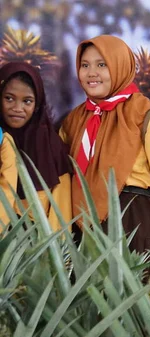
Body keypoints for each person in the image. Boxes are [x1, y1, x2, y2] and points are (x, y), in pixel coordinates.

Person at [59, 35, 150, 265]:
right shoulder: (74, 120)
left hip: (136, 231)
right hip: (84, 237)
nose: (92, 72)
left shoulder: (149, 116)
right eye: (85, 65)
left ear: (120, 65)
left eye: (102, 64)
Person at [0, 62, 71, 232]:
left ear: (37, 105)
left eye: (27, 101)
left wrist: (59, 255)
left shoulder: (51, 148)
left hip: (37, 247)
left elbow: (60, 212)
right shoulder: (3, 140)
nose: (17, 108)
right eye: (9, 98)